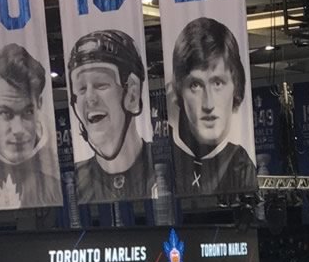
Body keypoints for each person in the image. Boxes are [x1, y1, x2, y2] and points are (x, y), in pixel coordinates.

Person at [170, 17, 256, 196]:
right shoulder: (165, 162)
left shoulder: (242, 166)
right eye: (195, 85)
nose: (208, 104)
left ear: (236, 87)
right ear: (179, 91)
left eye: (217, 83)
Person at [67, 29, 153, 203]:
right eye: (81, 88)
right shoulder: (77, 182)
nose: (90, 99)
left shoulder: (162, 170)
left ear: (132, 94)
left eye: (100, 84)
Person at [0, 43, 60, 211]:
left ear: (39, 105)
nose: (18, 130)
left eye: (28, 112)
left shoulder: (55, 183)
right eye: (6, 113)